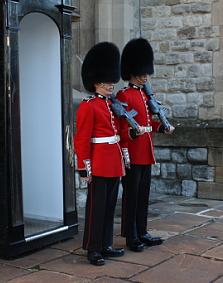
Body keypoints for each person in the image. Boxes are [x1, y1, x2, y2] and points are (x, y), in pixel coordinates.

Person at [116, 38, 175, 252]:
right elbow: (124, 129)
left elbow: (149, 124)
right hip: (132, 153)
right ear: (132, 72)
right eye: (142, 72)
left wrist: (163, 128)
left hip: (146, 153)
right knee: (130, 197)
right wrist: (132, 137)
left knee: (143, 196)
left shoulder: (144, 95)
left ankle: (142, 231)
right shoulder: (124, 95)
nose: (145, 76)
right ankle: (130, 236)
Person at [74, 42, 128, 266]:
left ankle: (106, 244)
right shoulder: (89, 105)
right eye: (108, 80)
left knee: (109, 207)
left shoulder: (110, 105)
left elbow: (118, 133)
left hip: (114, 162)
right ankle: (93, 248)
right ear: (97, 83)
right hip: (98, 162)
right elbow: (82, 138)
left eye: (112, 80)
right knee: (96, 208)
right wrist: (84, 167)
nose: (112, 83)